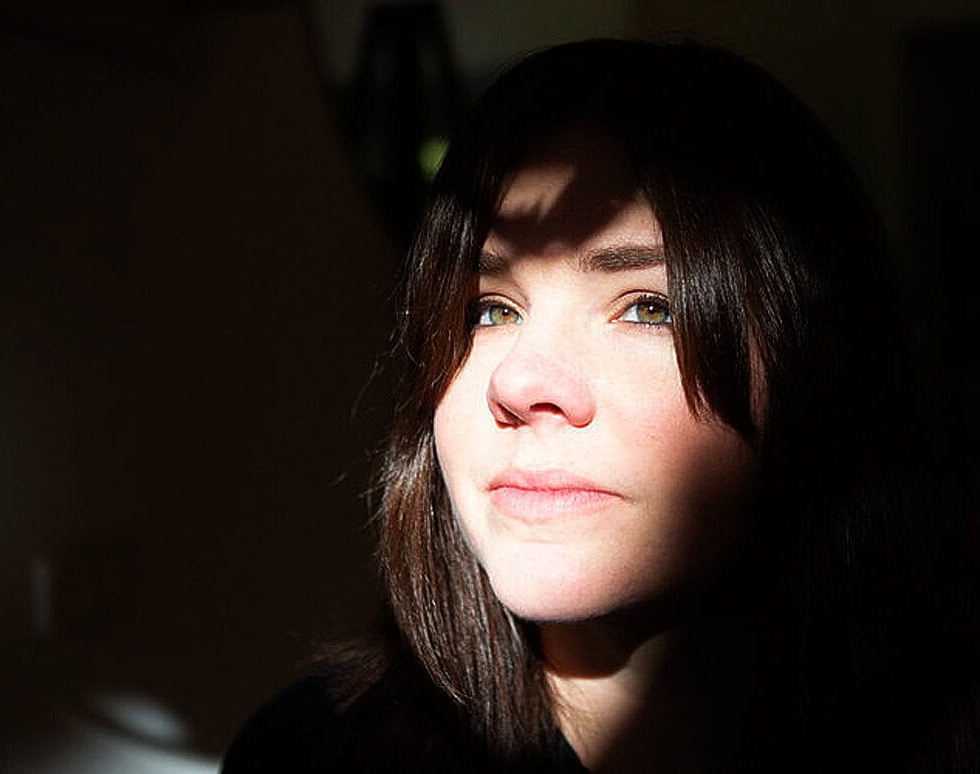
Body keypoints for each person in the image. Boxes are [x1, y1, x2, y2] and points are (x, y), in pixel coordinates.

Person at [223, 39, 978, 772]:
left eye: (648, 308)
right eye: (487, 310)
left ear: (817, 369)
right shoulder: (313, 753)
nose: (518, 383)